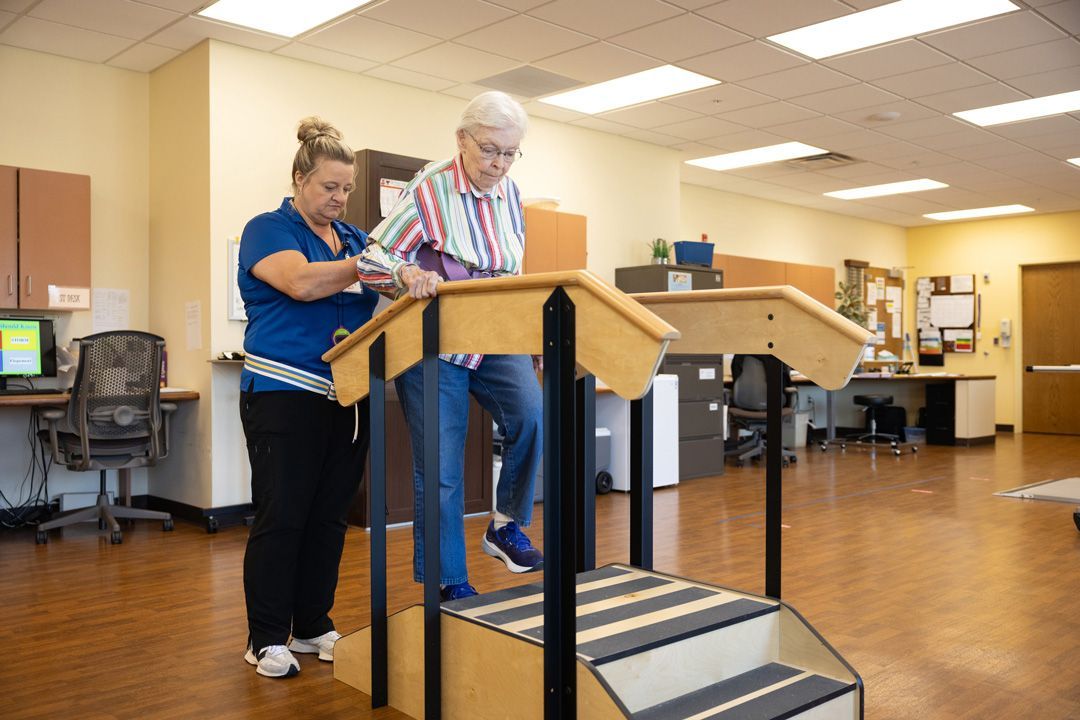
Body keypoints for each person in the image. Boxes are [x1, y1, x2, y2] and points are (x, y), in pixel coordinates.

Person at [357, 91, 542, 602]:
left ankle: (505, 525)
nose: (499, 164)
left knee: (531, 416)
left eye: (510, 153)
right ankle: (449, 579)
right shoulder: (428, 191)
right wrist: (406, 272)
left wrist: (527, 331)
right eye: (489, 150)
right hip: (433, 340)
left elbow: (513, 268)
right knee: (440, 466)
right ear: (461, 140)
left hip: (493, 329)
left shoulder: (511, 193)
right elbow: (371, 257)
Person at [237, 117, 378, 678]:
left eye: (346, 188)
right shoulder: (267, 229)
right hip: (282, 395)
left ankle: (312, 625)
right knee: (283, 516)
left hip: (346, 397)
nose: (340, 199)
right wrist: (371, 268)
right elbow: (301, 283)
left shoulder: (352, 240)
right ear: (299, 179)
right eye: (329, 187)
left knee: (328, 519)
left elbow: (380, 294)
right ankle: (266, 637)